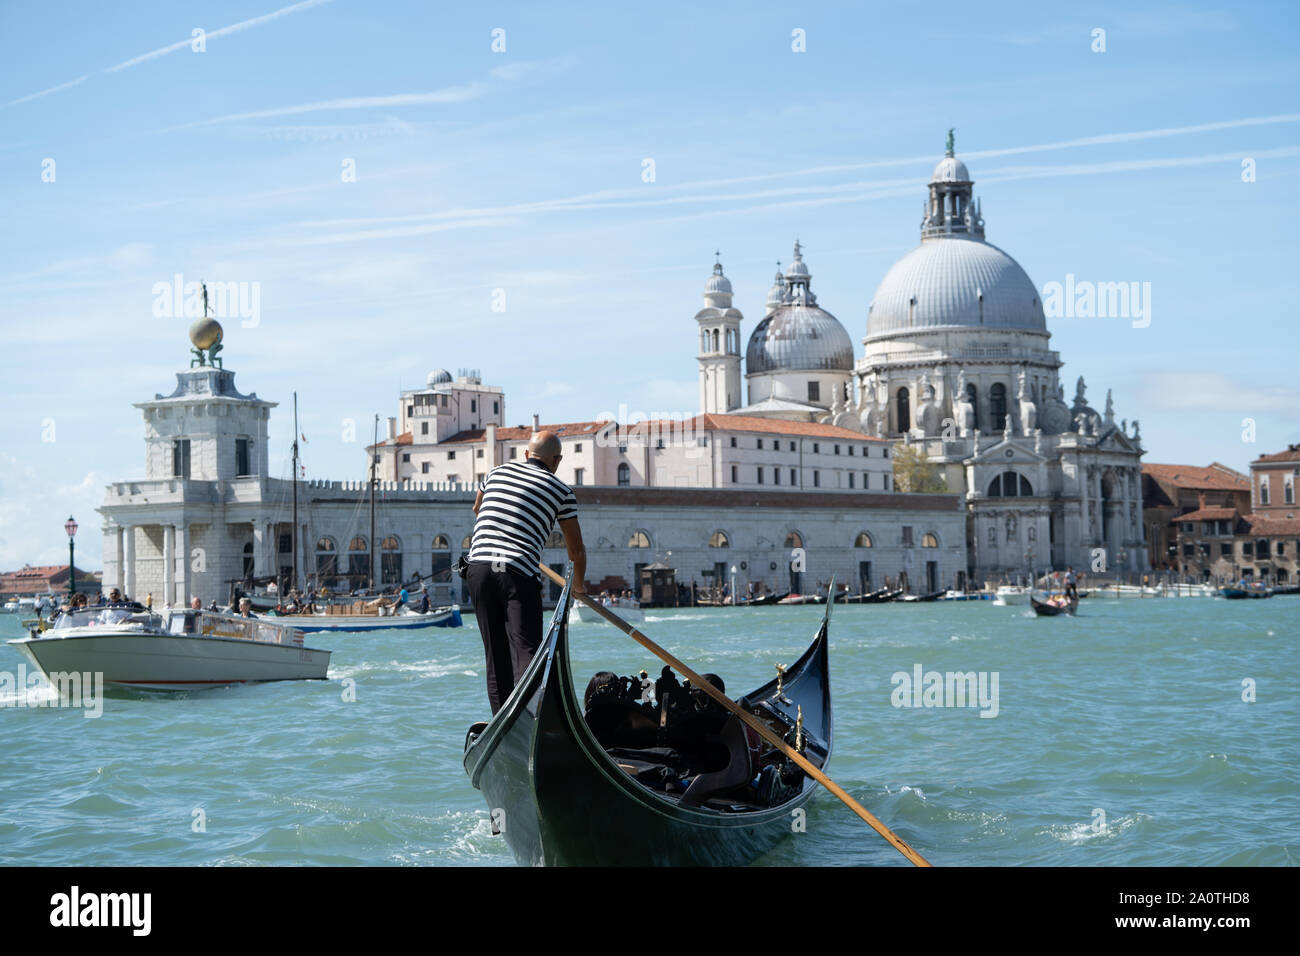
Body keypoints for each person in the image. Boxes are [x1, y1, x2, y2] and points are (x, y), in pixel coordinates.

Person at [467, 429, 586, 715]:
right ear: (557, 460)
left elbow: (477, 508)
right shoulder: (562, 491)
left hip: (479, 567)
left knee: (496, 657)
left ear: (525, 455)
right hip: (517, 571)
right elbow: (576, 551)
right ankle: (531, 717)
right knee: (527, 652)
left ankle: (503, 721)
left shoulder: (495, 473)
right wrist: (578, 589)